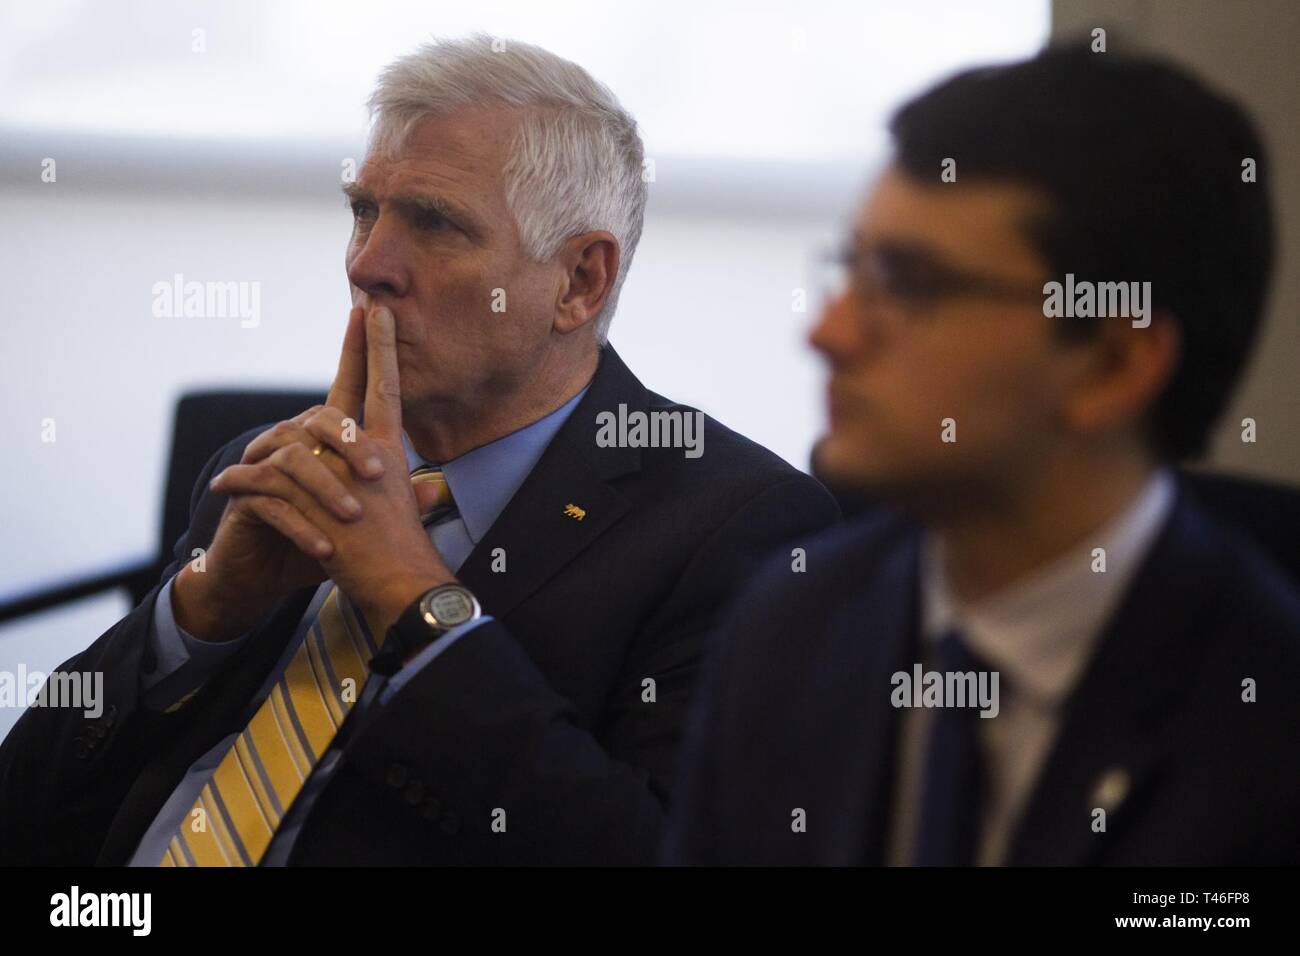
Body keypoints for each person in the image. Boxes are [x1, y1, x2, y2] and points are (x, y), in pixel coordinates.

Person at [0, 35, 838, 866]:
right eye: (364, 211)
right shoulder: (268, 467)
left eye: (435, 223)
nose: (369, 266)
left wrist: (417, 604)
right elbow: (22, 809)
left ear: (579, 281)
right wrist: (199, 616)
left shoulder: (737, 529)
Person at [665, 45, 1300, 866]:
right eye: (850, 270)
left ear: (1112, 365)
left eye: (909, 285)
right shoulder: (788, 629)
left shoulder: (1265, 725)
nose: (828, 332)